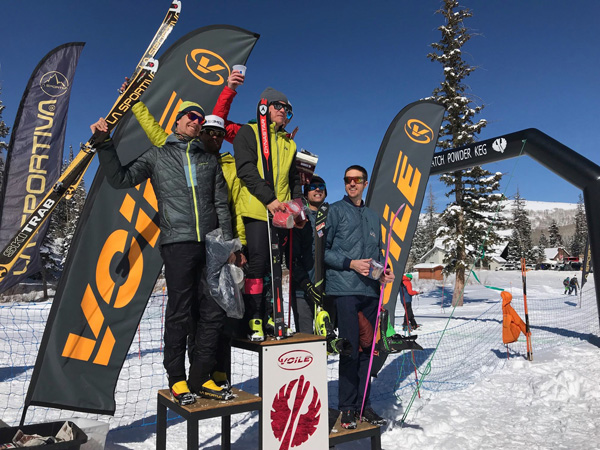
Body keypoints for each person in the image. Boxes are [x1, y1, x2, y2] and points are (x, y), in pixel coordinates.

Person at [90, 101, 235, 405]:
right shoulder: (158, 155)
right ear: (177, 122)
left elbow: (222, 204)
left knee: (211, 310)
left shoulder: (209, 160)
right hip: (178, 242)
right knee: (180, 311)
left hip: (211, 244)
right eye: (190, 116)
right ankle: (177, 379)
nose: (196, 121)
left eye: (200, 118)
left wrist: (228, 244)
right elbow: (121, 179)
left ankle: (201, 375)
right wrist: (103, 144)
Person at [324, 165, 394, 429]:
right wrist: (350, 263)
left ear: (365, 183)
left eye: (357, 180)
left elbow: (379, 254)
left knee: (368, 349)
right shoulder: (335, 211)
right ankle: (348, 408)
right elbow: (323, 251)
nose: (352, 184)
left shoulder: (373, 217)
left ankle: (364, 405)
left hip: (370, 292)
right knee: (351, 349)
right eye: (347, 180)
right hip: (344, 290)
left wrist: (384, 272)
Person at [234, 87, 303, 341]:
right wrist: (269, 199)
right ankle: (254, 318)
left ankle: (275, 315)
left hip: (282, 214)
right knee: (259, 263)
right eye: (279, 106)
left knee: (277, 265)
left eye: (287, 109)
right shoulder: (248, 132)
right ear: (264, 107)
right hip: (257, 209)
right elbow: (245, 169)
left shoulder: (288, 142)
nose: (283, 111)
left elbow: (294, 179)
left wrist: (297, 207)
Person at [291, 175, 328, 333]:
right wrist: (305, 284)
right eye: (312, 187)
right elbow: (292, 256)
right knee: (306, 341)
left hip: (327, 290)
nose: (317, 189)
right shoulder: (299, 218)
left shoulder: (332, 216)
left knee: (326, 340)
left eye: (321, 186)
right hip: (303, 290)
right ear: (306, 193)